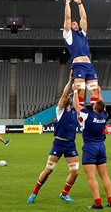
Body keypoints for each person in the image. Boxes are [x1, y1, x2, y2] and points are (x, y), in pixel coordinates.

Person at [27, 71, 80, 205]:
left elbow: (78, 99)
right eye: (67, 96)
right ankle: (34, 193)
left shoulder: (74, 112)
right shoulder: (60, 110)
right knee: (49, 169)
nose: (68, 96)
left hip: (71, 145)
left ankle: (64, 194)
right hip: (58, 144)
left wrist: (77, 89)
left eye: (69, 96)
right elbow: (64, 95)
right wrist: (70, 80)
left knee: (75, 172)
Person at [73, 86, 111, 209]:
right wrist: (99, 92)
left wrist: (75, 91)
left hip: (90, 148)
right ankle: (110, 201)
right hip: (101, 147)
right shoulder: (104, 116)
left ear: (95, 107)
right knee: (105, 175)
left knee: (91, 177)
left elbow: (76, 106)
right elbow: (104, 106)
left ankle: (97, 203)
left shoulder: (87, 114)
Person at [63, 0, 100, 110]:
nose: (75, 24)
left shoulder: (82, 33)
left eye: (75, 23)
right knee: (81, 91)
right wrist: (67, 3)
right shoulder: (68, 35)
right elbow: (67, 17)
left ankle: (94, 115)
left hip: (89, 65)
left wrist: (79, 3)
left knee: (95, 90)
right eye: (73, 24)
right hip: (78, 65)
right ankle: (81, 116)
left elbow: (83, 18)